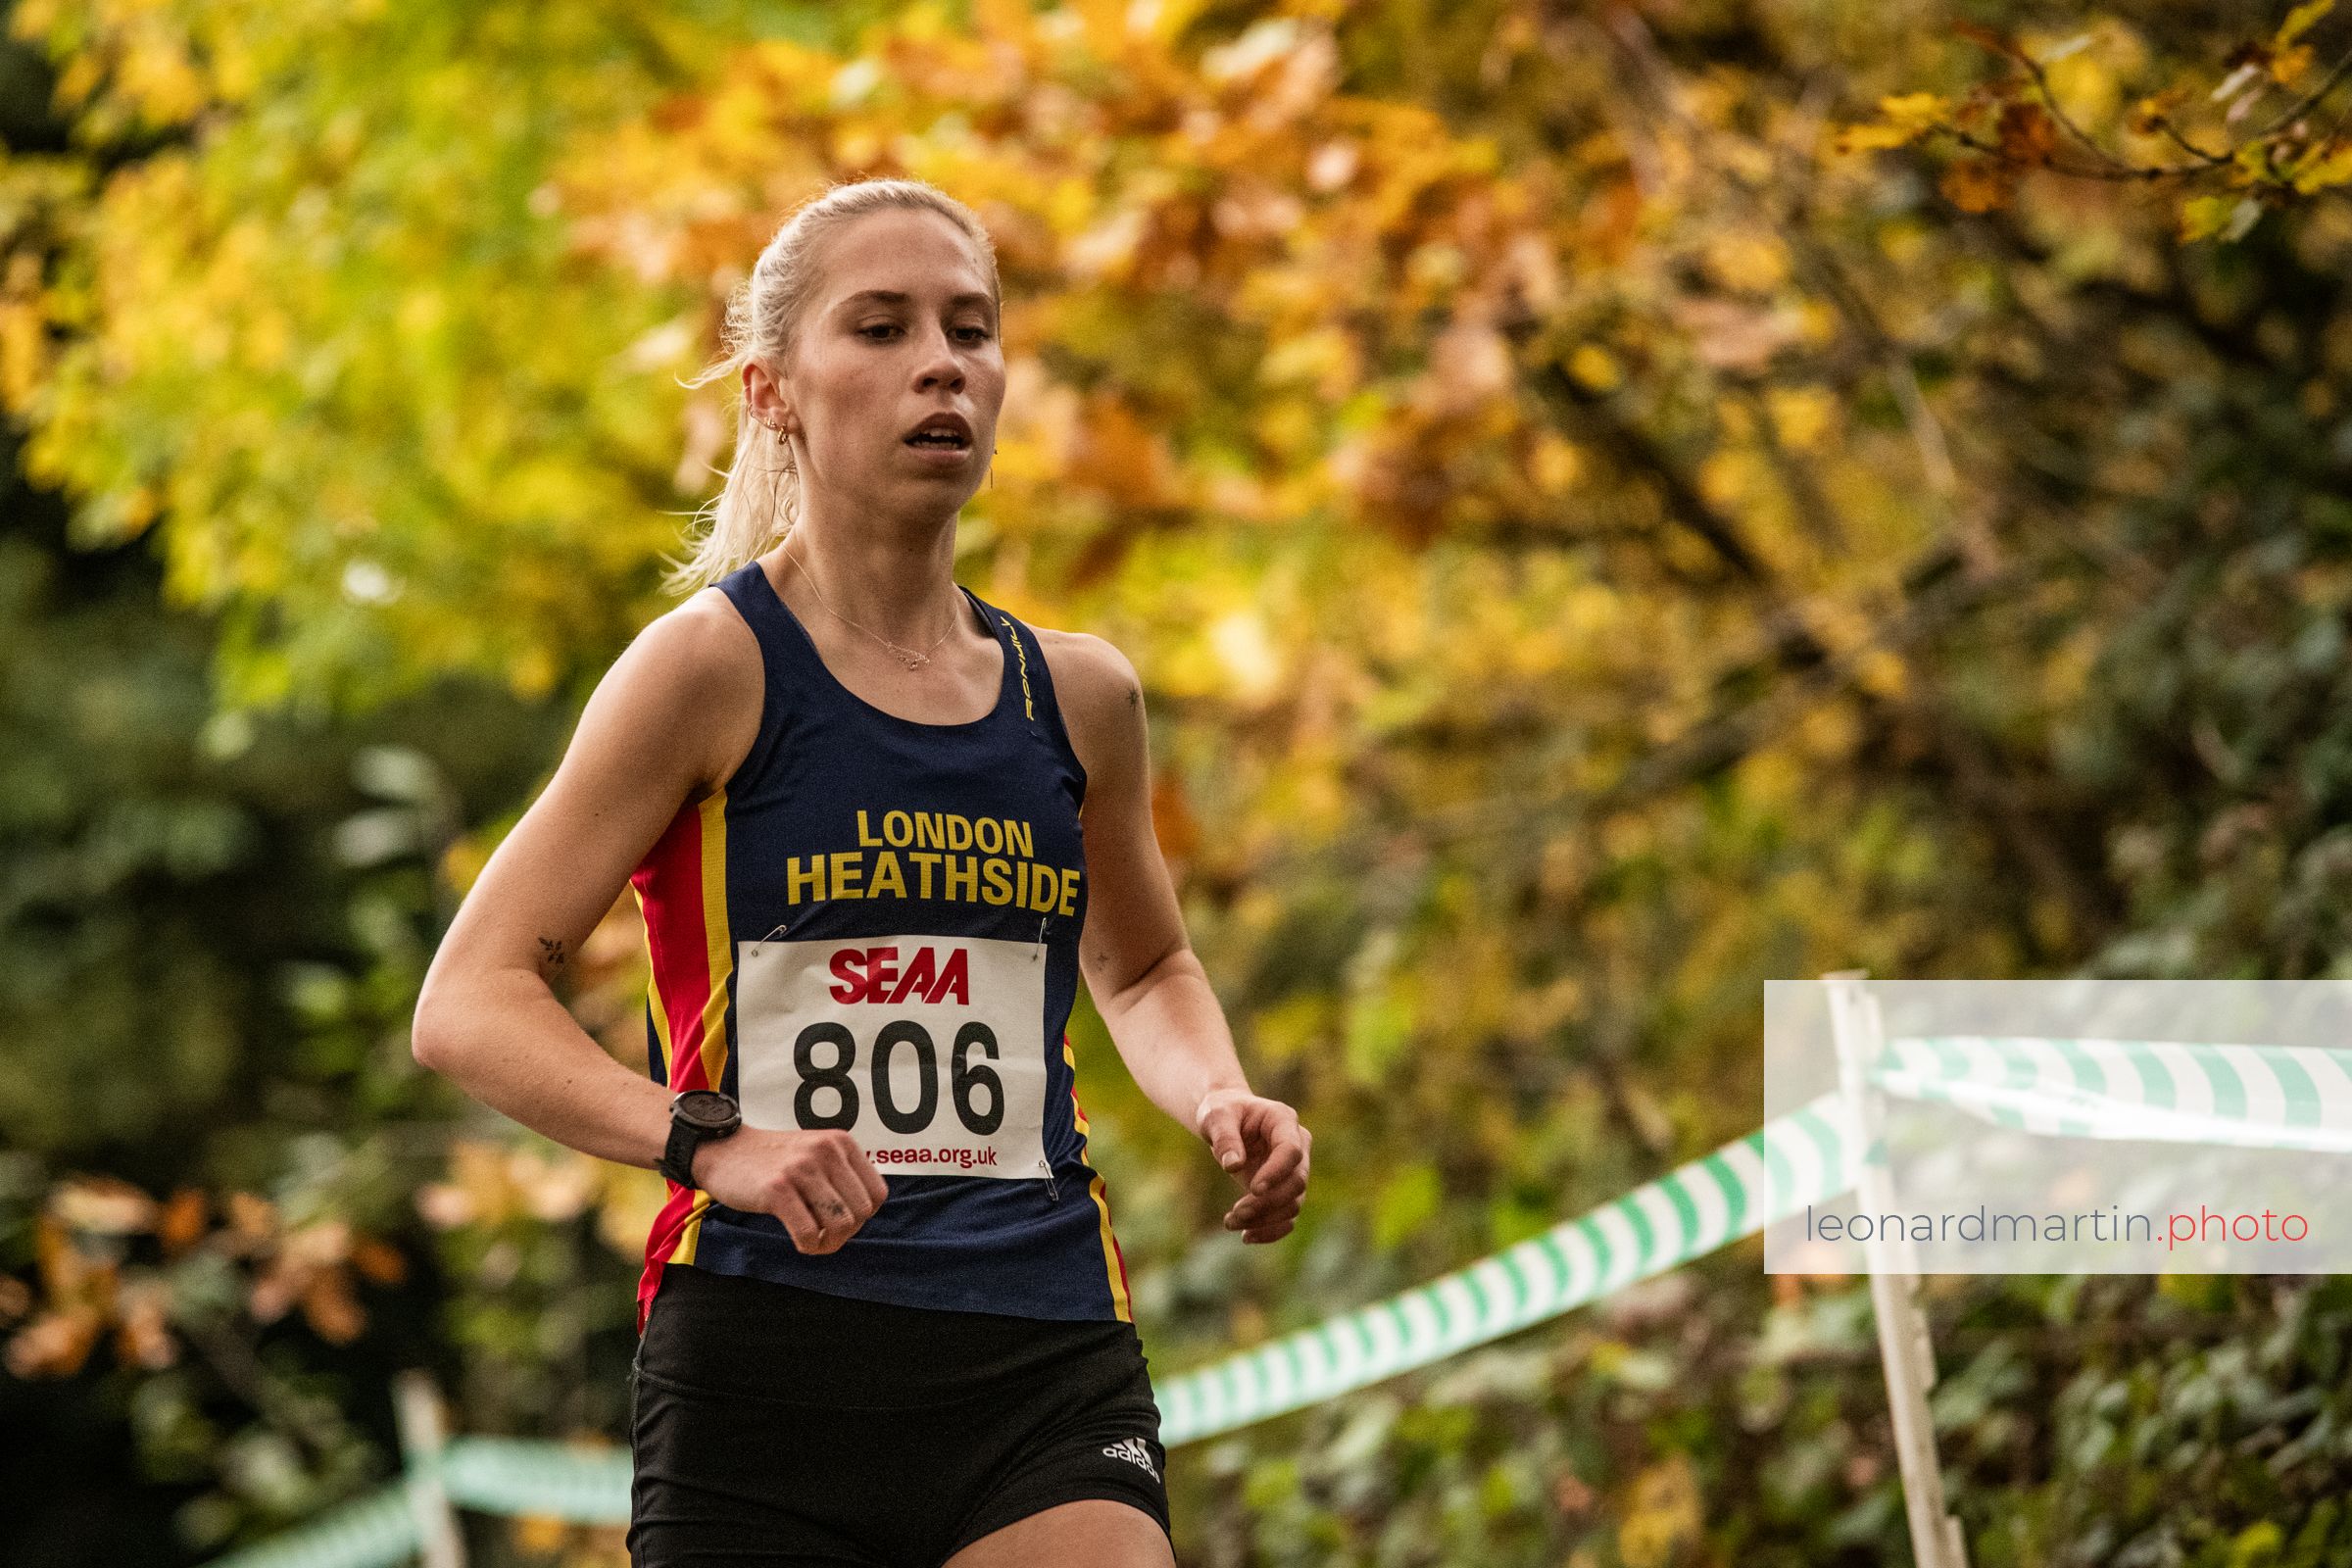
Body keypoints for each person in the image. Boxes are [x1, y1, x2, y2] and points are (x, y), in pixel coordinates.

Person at [412, 176, 1311, 1568]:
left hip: (1041, 1339)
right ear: (772, 391)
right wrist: (715, 1144)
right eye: (881, 329)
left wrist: (1218, 1094)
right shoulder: (708, 670)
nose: (941, 364)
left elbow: (1142, 967)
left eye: (972, 328)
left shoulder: (1079, 698)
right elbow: (469, 1000)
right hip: (770, 1359)